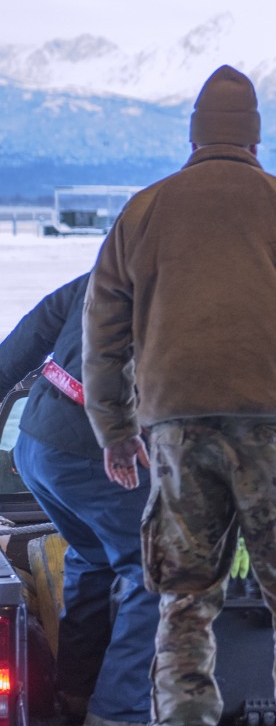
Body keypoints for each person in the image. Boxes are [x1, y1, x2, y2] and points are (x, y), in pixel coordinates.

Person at [81, 64, 276, 726]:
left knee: (185, 601)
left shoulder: (143, 210)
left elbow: (101, 334)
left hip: (177, 432)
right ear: (256, 137)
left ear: (194, 135)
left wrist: (116, 428)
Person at [0, 273, 159, 726]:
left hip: (36, 444)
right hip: (94, 452)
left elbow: (31, 334)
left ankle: (73, 693)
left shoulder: (117, 264)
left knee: (94, 557)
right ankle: (116, 713)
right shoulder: (198, 283)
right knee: (158, 570)